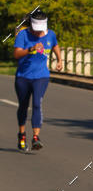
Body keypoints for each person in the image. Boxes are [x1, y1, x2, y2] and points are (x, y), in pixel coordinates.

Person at [13, 10, 62, 152]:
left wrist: (59, 60)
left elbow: (55, 45)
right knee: (23, 105)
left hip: (41, 76)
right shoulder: (23, 34)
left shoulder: (50, 34)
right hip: (23, 76)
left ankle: (36, 138)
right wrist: (31, 49)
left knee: (36, 104)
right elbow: (16, 54)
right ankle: (21, 134)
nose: (40, 33)